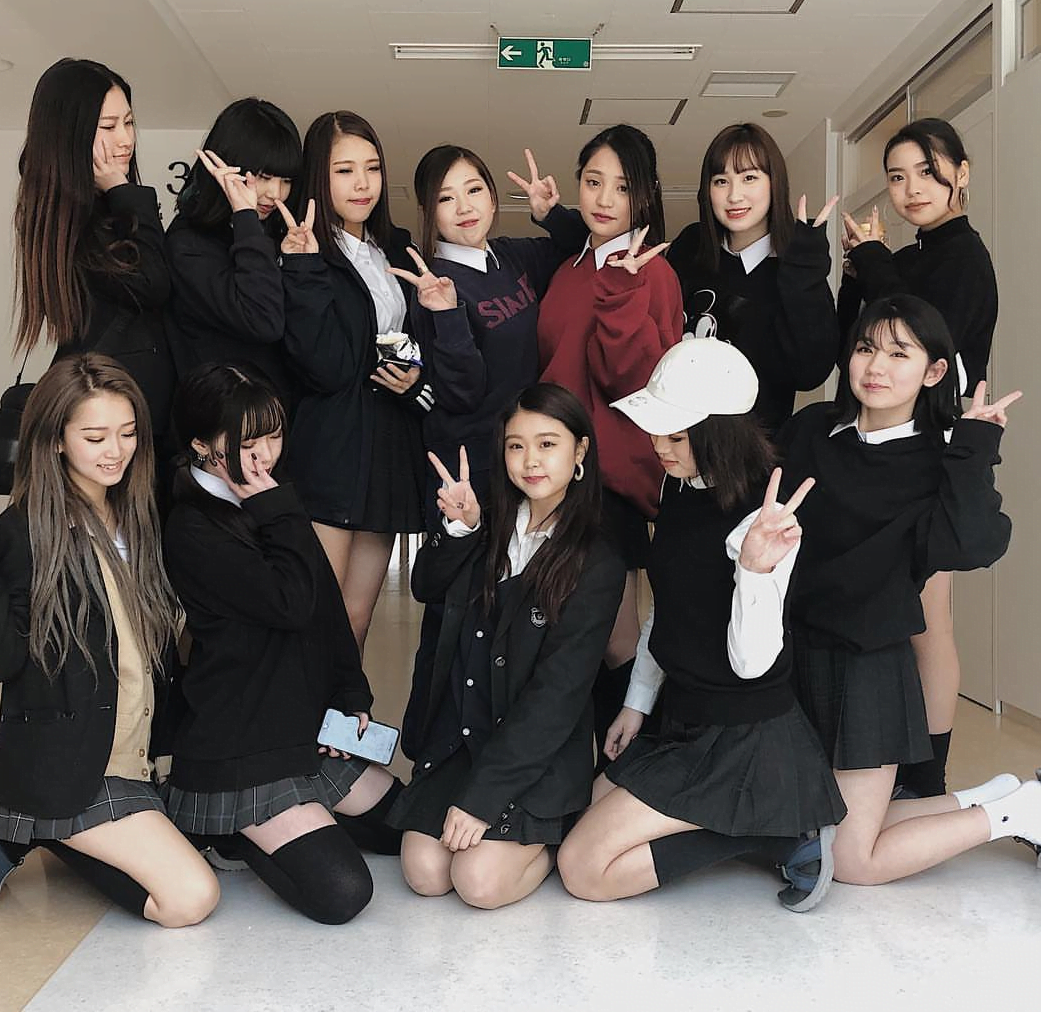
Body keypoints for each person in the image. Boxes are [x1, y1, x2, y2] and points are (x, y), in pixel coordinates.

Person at [557, 339, 844, 912]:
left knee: (584, 870)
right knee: (582, 813)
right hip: (685, 720)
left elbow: (753, 663)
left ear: (720, 433)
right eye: (658, 432)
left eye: (676, 436)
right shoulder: (682, 484)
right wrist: (636, 704)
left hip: (743, 739)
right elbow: (671, 605)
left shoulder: (764, 521)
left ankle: (774, 830)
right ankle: (758, 824)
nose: (658, 447)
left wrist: (754, 569)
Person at [777, 295, 1040, 886]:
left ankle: (1016, 813)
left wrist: (974, 446)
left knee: (851, 861)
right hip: (793, 655)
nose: (876, 366)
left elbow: (975, 546)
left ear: (934, 371)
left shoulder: (939, 459)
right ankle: (990, 796)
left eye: (900, 354)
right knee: (805, 824)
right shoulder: (812, 429)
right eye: (866, 348)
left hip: (867, 668)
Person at [0, 355, 218, 927]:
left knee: (195, 864)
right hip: (72, 761)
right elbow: (0, 658)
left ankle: (37, 828)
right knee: (189, 898)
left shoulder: (138, 514)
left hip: (134, 755)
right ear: (55, 440)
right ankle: (18, 817)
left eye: (128, 433)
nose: (116, 452)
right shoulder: (24, 532)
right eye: (95, 437)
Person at [161, 364, 403, 924]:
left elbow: (326, 607)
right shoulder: (192, 526)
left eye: (272, 437)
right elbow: (290, 603)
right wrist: (279, 511)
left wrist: (351, 695)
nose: (264, 456)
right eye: (247, 444)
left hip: (301, 729)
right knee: (344, 892)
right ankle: (227, 828)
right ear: (201, 445)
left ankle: (294, 818)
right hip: (240, 747)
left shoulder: (269, 497)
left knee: (409, 826)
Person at [388, 384, 626, 909]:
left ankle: (555, 836)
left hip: (534, 754)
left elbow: (556, 697)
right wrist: (459, 530)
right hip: (464, 734)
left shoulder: (597, 561)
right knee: (425, 872)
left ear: (580, 451)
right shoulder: (486, 521)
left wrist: (483, 800)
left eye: (547, 444)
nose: (530, 461)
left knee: (480, 883)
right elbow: (425, 586)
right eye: (516, 446)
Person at [837, 118, 1000, 798]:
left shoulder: (964, 258)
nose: (912, 189)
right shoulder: (909, 257)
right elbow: (854, 344)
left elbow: (924, 339)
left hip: (931, 453)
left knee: (929, 622)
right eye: (897, 177)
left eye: (928, 172)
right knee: (900, 617)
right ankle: (904, 768)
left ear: (962, 172)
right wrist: (859, 269)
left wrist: (875, 261)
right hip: (883, 448)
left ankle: (928, 780)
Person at [536, 124, 686, 761]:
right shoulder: (570, 268)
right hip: (555, 476)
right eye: (593, 182)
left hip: (610, 480)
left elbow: (641, 383)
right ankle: (593, 774)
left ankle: (639, 770)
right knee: (572, 634)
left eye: (622, 188)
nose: (604, 199)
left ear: (645, 195)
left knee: (614, 636)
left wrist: (624, 293)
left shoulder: (655, 274)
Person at [281, 110, 430, 652]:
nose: (362, 183)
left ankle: (343, 711)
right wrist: (301, 269)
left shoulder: (397, 248)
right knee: (316, 613)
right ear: (318, 179)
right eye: (344, 171)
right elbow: (322, 364)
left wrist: (416, 376)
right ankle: (307, 710)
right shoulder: (304, 250)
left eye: (372, 168)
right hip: (334, 443)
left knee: (357, 616)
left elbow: (419, 340)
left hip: (389, 441)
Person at [403, 145, 585, 527]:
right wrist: (448, 314)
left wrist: (549, 215)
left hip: (524, 457)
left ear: (492, 196)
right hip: (471, 467)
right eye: (445, 198)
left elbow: (583, 248)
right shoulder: (432, 289)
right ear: (427, 211)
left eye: (474, 190)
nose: (464, 207)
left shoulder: (513, 256)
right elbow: (461, 394)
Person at [13, 58, 176, 454]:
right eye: (108, 126)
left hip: (129, 405)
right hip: (107, 410)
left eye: (129, 122)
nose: (125, 139)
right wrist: (124, 191)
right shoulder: (69, 217)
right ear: (72, 134)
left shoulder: (104, 208)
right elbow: (153, 283)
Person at [665, 122, 840, 433]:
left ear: (774, 184)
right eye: (721, 181)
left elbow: (811, 373)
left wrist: (804, 272)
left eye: (749, 178)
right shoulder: (691, 248)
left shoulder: (796, 267)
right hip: (678, 440)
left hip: (756, 449)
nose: (734, 195)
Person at [165, 98, 302, 411]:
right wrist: (245, 216)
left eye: (286, 181)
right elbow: (263, 320)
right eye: (264, 177)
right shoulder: (189, 243)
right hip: (220, 422)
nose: (275, 194)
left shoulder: (274, 235)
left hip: (277, 421)